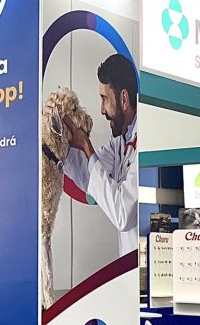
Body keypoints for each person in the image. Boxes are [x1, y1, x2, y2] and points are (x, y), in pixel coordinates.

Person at [58, 53, 139, 256]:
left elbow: (123, 214)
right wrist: (63, 139)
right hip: (128, 262)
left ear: (124, 99)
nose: (102, 110)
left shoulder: (144, 143)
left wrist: (87, 146)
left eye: (105, 99)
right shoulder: (119, 141)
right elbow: (90, 176)